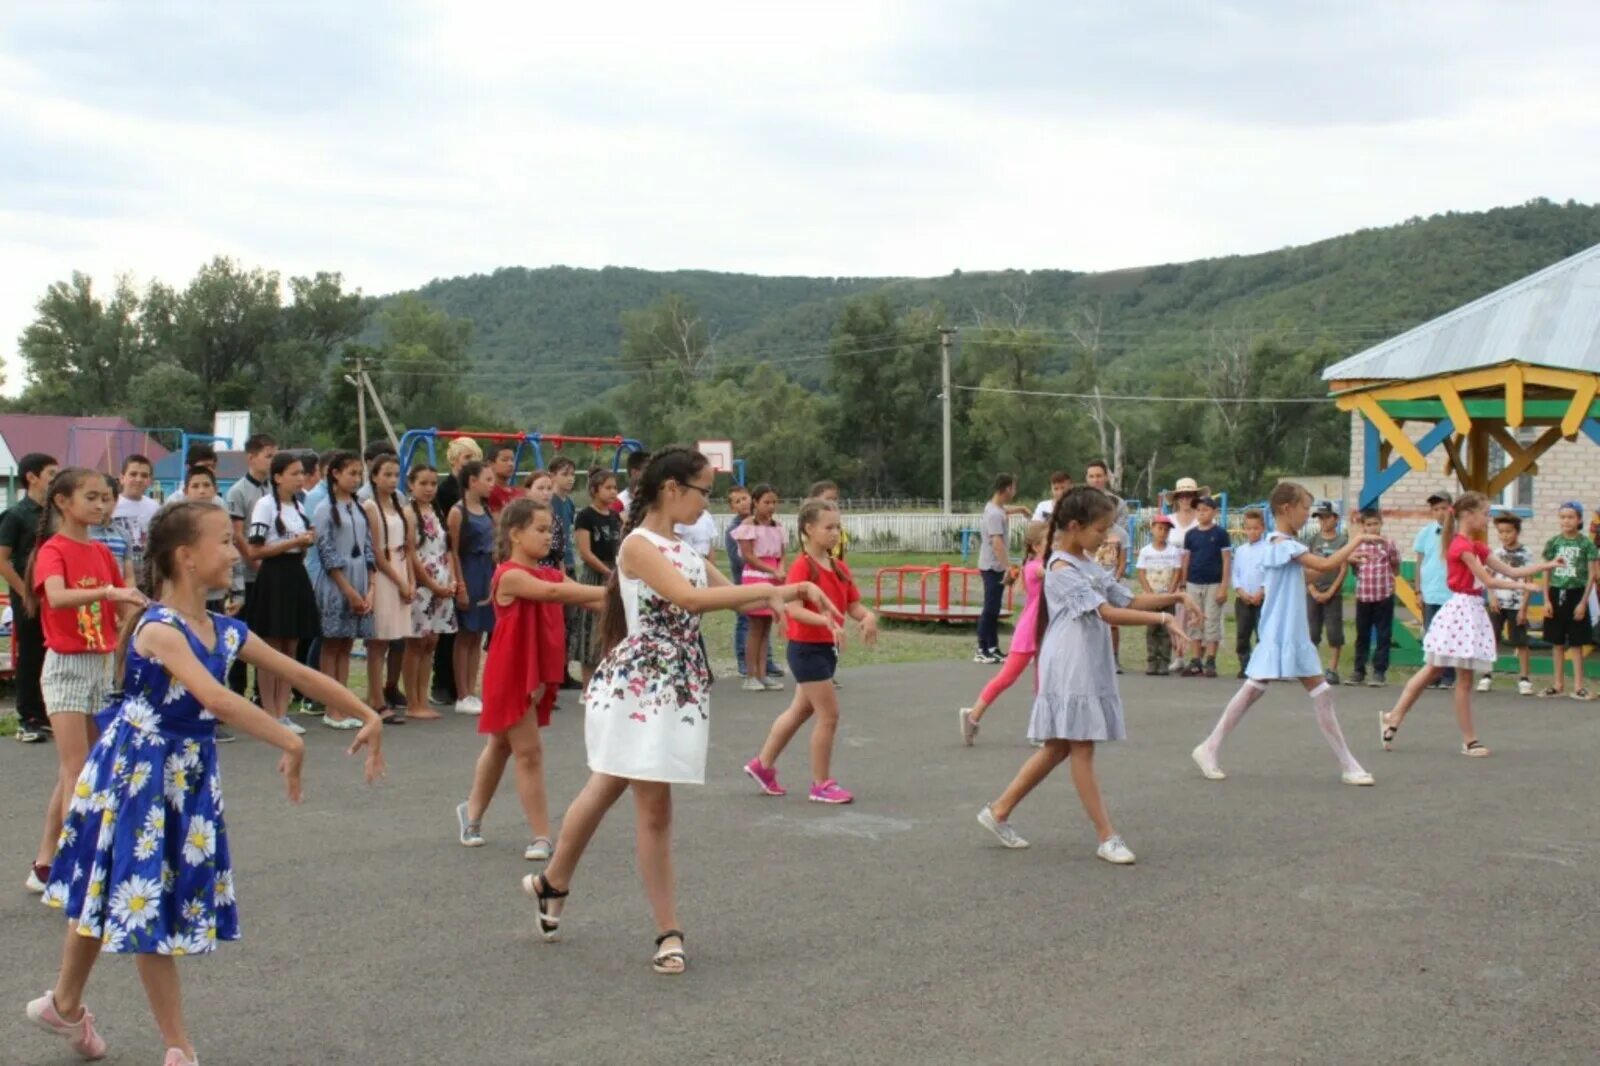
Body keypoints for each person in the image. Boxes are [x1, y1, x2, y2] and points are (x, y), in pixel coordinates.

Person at [25, 501, 382, 1066]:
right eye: (223, 541)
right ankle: (179, 1047)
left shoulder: (222, 629)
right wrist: (289, 739)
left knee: (111, 891)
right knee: (139, 900)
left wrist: (367, 713)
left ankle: (64, 1004)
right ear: (186, 558)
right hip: (137, 773)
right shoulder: (158, 628)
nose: (234, 551)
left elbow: (301, 673)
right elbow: (215, 699)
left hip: (182, 776)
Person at [522, 447, 837, 974]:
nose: (705, 504)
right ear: (671, 489)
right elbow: (689, 600)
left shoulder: (682, 548)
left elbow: (737, 596)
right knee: (649, 805)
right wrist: (785, 589)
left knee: (607, 787)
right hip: (642, 688)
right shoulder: (639, 546)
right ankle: (668, 931)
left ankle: (553, 882)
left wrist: (794, 594)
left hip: (674, 687)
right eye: (702, 492)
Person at [976, 487, 1194, 859]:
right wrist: (1163, 619)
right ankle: (1107, 835)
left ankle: (998, 811)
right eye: (1100, 530)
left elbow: (1126, 599)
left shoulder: (1088, 564)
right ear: (1074, 527)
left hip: (1085, 660)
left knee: (1059, 746)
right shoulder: (1060, 569)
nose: (1106, 537)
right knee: (1080, 745)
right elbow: (1106, 613)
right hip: (1069, 663)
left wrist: (1174, 597)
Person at [1191, 482, 1380, 787]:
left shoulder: (1283, 545)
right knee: (1261, 689)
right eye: (1305, 508)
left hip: (1291, 631)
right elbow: (1324, 563)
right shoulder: (1281, 544)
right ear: (1286, 509)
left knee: (1314, 692)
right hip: (1280, 630)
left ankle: (1348, 764)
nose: (1308, 515)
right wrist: (1356, 541)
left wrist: (1345, 558)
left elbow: (1311, 572)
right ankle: (1210, 747)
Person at [458, 499, 606, 857]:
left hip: (536, 672)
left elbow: (582, 597)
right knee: (529, 752)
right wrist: (618, 592)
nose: (547, 537)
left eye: (550, 530)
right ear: (515, 534)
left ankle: (471, 813)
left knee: (501, 745)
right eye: (540, 530)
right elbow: (557, 594)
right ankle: (541, 835)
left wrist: (640, 599)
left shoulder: (549, 572)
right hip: (510, 673)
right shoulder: (509, 574)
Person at [26, 469, 148, 897]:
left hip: (101, 666)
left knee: (82, 770)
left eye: (105, 498)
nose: (101, 505)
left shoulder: (100, 551)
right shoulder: (52, 550)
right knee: (76, 769)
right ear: (62, 501)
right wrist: (111, 595)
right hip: (66, 666)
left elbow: (124, 612)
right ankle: (73, 867)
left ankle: (46, 860)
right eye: (92, 497)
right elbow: (56, 597)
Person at [1381, 493, 1550, 757]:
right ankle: (1465, 739)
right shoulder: (1460, 546)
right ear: (1469, 514)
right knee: (1443, 673)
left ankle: (1396, 717)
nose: (1488, 517)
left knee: (1446, 673)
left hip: (1470, 610)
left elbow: (1511, 570)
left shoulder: (1477, 546)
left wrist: (1547, 565)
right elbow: (1490, 581)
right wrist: (1522, 586)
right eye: (1485, 513)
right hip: (1460, 610)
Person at [744, 499, 877, 800]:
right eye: (828, 527)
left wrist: (868, 616)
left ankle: (762, 765)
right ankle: (821, 784)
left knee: (799, 711)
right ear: (809, 528)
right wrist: (827, 621)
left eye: (837, 527)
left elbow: (852, 605)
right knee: (829, 714)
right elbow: (792, 609)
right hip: (806, 649)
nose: (834, 533)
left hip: (826, 651)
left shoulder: (839, 568)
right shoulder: (803, 566)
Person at [244, 452, 319, 736]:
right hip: (274, 575)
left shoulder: (299, 506)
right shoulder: (265, 505)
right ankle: (269, 711)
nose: (301, 478)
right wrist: (293, 542)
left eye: (302, 473)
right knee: (272, 646)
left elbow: (301, 540)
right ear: (278, 477)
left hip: (295, 574)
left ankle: (283, 711)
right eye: (294, 473)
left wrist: (306, 541)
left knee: (290, 645)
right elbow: (255, 549)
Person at [961, 521, 1048, 741]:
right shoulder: (1033, 568)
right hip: (1029, 631)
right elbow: (1049, 572)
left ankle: (1040, 729)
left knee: (1044, 681)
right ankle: (973, 716)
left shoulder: (1046, 564)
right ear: (1037, 546)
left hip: (1046, 630)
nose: (1056, 545)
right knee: (1006, 678)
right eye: (1052, 541)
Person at [312, 451, 376, 729]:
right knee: (332, 643)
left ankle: (344, 703)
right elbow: (325, 551)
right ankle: (331, 707)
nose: (356, 479)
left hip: (360, 578)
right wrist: (348, 590)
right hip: (337, 582)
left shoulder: (360, 506)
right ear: (335, 474)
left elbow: (369, 546)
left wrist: (370, 587)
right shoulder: (325, 508)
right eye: (351, 473)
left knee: (348, 643)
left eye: (359, 474)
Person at [1, 452, 59, 745]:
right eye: (51, 474)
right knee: (31, 655)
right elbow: (2, 560)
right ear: (32, 477)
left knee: (54, 653)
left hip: (55, 596)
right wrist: (25, 593)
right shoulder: (16, 515)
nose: (55, 480)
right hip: (29, 597)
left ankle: (49, 712)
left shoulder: (56, 514)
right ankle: (28, 718)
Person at [431, 438, 483, 707]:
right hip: (452, 562)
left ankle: (462, 685)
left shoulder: (475, 492)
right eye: (465, 459)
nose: (468, 464)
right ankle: (442, 682)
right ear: (453, 460)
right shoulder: (446, 490)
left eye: (473, 459)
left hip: (475, 564)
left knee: (467, 629)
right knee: (449, 629)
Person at [362, 454, 413, 724]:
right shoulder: (370, 507)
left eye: (395, 475)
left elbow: (407, 546)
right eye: (387, 475)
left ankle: (383, 693)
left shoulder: (397, 504)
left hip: (401, 568)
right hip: (385, 574)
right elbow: (378, 553)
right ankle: (376, 699)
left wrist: (410, 580)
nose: (392, 480)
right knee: (378, 641)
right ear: (374, 477)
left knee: (394, 637)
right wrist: (400, 581)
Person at [404, 463, 456, 721]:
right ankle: (412, 700)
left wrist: (453, 580)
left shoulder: (437, 512)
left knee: (431, 641)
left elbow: (447, 549)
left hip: (442, 582)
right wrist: (430, 584)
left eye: (433, 484)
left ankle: (422, 698)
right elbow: (411, 553)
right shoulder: (410, 514)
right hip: (423, 584)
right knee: (416, 642)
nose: (429, 488)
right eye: (423, 483)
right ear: (411, 484)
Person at [225, 434, 276, 699]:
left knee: (265, 633)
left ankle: (261, 691)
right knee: (241, 632)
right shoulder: (238, 491)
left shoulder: (274, 490)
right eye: (268, 455)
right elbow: (238, 535)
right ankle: (237, 688)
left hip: (269, 573)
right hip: (247, 574)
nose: (271, 461)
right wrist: (255, 564)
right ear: (251, 458)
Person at [450, 460, 497, 713]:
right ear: (472, 481)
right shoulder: (459, 512)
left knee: (478, 634)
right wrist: (460, 584)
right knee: (465, 634)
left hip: (486, 572)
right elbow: (454, 551)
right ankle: (462, 692)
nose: (492, 485)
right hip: (468, 570)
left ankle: (472, 690)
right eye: (487, 480)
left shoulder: (486, 510)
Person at [731, 483, 788, 691]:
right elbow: (749, 556)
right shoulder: (748, 525)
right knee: (754, 627)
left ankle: (763, 674)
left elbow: (782, 554)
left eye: (774, 502)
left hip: (773, 577)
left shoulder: (778, 527)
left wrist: (780, 570)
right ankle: (750, 674)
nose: (771, 506)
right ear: (756, 502)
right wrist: (771, 570)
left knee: (766, 628)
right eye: (766, 502)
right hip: (755, 576)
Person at [572, 468, 624, 689]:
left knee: (614, 628)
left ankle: (609, 684)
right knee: (591, 631)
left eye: (615, 487)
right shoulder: (585, 516)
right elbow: (585, 552)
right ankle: (588, 686)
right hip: (595, 574)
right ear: (595, 490)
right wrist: (606, 572)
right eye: (608, 488)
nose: (613, 492)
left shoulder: (615, 516)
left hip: (615, 572)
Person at [1538, 501, 1596, 699]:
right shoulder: (1554, 543)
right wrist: (1546, 599)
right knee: (1557, 642)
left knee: (1577, 643)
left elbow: (1591, 575)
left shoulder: (1586, 544)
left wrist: (1583, 601)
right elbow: (1546, 572)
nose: (1566, 521)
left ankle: (1579, 685)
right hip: (1556, 593)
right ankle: (1558, 684)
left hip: (1577, 593)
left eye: (1571, 517)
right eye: (1563, 517)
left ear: (1579, 519)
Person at [1178, 496, 1231, 677]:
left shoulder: (1220, 534)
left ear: (1214, 512)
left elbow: (1226, 560)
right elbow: (1186, 559)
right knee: (1194, 620)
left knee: (1211, 620)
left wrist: (1224, 586)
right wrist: (1183, 582)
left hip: (1213, 583)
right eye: (1199, 510)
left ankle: (1211, 659)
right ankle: (1196, 659)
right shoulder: (1191, 534)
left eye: (1206, 510)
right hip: (1194, 582)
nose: (1202, 513)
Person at [1349, 508, 1401, 688]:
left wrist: (1390, 577)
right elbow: (1354, 569)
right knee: (1362, 634)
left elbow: (1395, 566)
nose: (1372, 528)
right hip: (1364, 595)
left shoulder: (1388, 543)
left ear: (1381, 524)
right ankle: (1359, 670)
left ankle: (1379, 671)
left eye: (1375, 524)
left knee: (1383, 634)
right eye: (1368, 525)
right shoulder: (1357, 545)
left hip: (1383, 595)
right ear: (1363, 526)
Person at [1483, 512, 1533, 696]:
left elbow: (1528, 579)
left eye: (1508, 532)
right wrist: (1492, 596)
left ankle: (1524, 678)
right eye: (1501, 532)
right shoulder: (1495, 553)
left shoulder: (1526, 553)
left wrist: (1523, 607)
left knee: (1520, 641)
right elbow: (1488, 576)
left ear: (1517, 532)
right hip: (1498, 602)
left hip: (1516, 603)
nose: (1505, 536)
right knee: (1491, 638)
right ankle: (1487, 674)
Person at [1302, 501, 1349, 685]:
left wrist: (1331, 591)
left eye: (1326, 517)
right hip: (1313, 592)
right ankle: (1312, 668)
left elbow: (1343, 568)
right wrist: (1312, 589)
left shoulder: (1342, 541)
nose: (1323, 521)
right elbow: (1305, 566)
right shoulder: (1312, 540)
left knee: (1334, 631)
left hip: (1333, 593)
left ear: (1335, 519)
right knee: (1312, 631)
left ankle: (1333, 668)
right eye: (1320, 517)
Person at [1414, 492, 1456, 690]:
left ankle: (1449, 674)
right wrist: (1418, 590)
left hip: (1452, 592)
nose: (1440, 513)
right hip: (1430, 591)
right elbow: (1420, 561)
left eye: (1443, 508)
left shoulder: (1458, 533)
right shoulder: (1425, 532)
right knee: (1431, 634)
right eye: (1435, 509)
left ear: (1451, 509)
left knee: (1450, 634)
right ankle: (1433, 673)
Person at [976, 473, 1018, 664]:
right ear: (1007, 489)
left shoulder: (996, 508)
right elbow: (997, 542)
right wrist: (1006, 567)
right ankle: (982, 649)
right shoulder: (994, 513)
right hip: (992, 566)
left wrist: (1022, 509)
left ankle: (993, 647)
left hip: (994, 566)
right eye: (1013, 487)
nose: (1015, 491)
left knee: (994, 608)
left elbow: (1005, 510)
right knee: (990, 608)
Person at [1137, 514, 1185, 676]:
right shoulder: (1145, 551)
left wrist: (1170, 593)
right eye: (1159, 528)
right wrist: (1150, 595)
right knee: (1151, 629)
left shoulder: (1173, 551)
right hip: (1150, 598)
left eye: (1166, 530)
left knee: (1166, 630)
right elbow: (1141, 574)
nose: (1162, 532)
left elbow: (1177, 572)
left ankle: (1164, 661)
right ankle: (1152, 661)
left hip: (1167, 597)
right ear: (1152, 529)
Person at [1230, 509, 1268, 679]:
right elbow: (1235, 573)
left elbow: (1270, 574)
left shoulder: (1268, 549)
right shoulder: (1240, 551)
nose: (1252, 532)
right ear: (1244, 529)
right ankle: (1245, 665)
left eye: (1256, 528)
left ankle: (1260, 667)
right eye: (1249, 528)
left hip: (1262, 598)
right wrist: (1241, 591)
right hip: (1243, 599)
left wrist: (1262, 591)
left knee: (1262, 633)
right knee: (1243, 633)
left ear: (1263, 529)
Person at [110, 454, 159, 578]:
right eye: (133, 474)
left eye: (144, 475)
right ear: (122, 478)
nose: (138, 479)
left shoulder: (155, 507)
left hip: (145, 575)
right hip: (116, 574)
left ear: (150, 481)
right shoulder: (111, 505)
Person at [808, 480, 848, 561]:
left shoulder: (839, 527)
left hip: (836, 567)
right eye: (828, 499)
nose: (832, 503)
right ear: (814, 501)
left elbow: (842, 551)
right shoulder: (811, 528)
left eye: (835, 499)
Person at [485, 444, 523, 516]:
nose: (510, 464)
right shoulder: (489, 491)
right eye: (504, 460)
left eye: (512, 460)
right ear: (490, 464)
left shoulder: (519, 492)